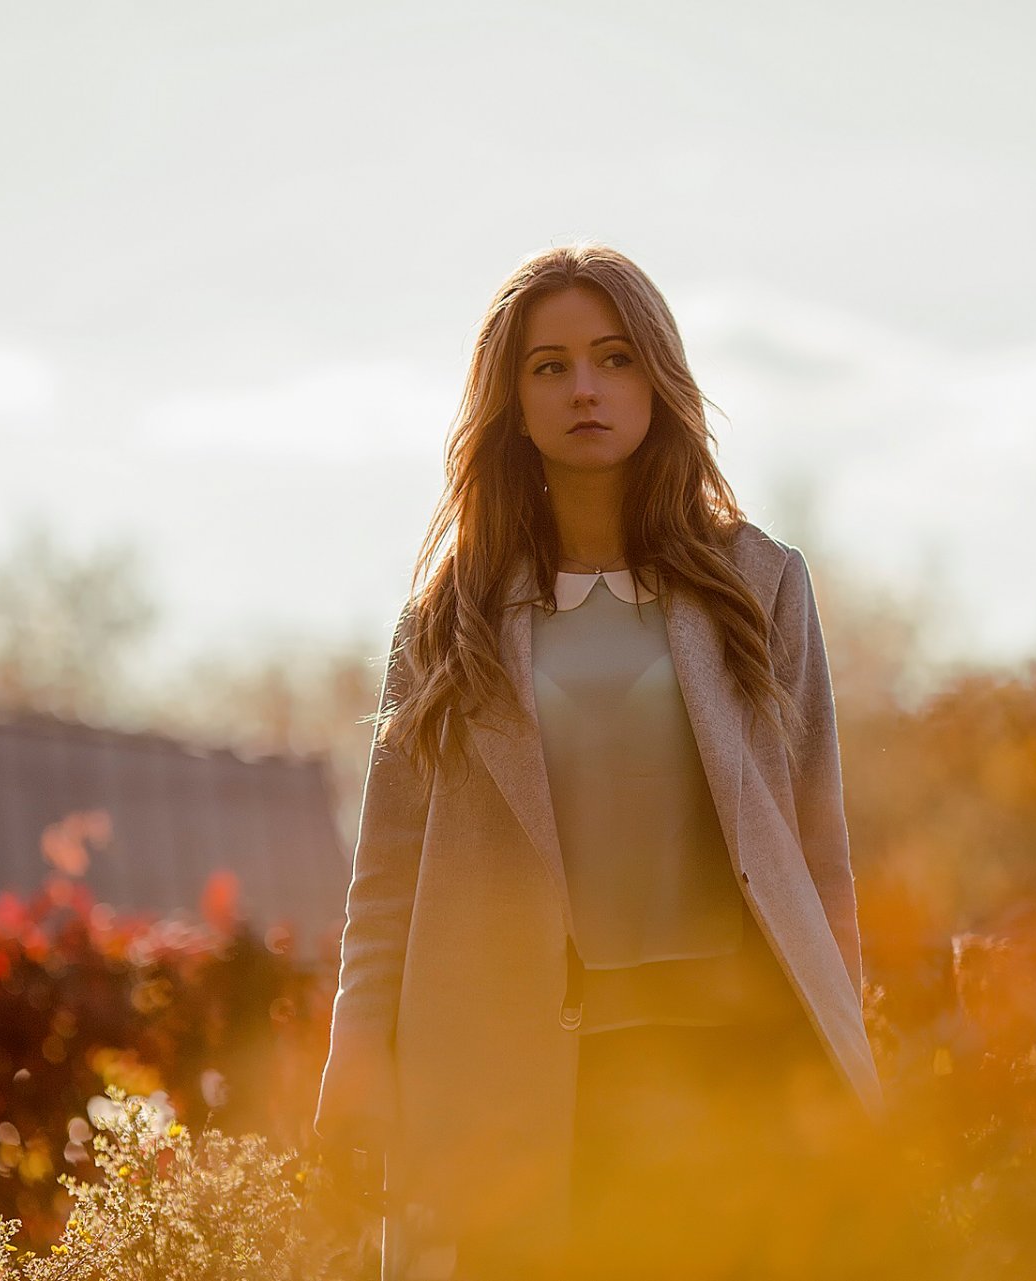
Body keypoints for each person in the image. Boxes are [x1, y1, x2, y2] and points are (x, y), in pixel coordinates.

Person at [312, 242, 885, 1280]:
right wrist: (357, 1057)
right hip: (521, 1081)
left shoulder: (762, 584)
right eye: (550, 366)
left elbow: (818, 848)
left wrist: (846, 1063)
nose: (585, 388)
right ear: (512, 401)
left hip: (737, 1066)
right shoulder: (446, 622)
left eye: (615, 358)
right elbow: (385, 881)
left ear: (657, 382)